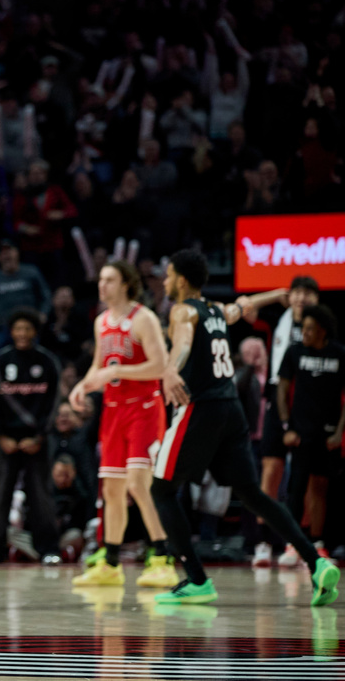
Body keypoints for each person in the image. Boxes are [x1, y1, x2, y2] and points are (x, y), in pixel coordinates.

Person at [152, 249, 338, 607]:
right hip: (231, 410)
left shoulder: (182, 310)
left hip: (201, 408)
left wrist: (171, 369)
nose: (164, 281)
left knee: (161, 490)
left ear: (182, 280)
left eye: (168, 274)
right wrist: (274, 294)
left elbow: (184, 345)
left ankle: (197, 580)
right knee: (253, 495)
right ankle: (316, 563)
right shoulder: (214, 311)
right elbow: (243, 305)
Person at [69, 261, 176, 589]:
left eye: (110, 280)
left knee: (139, 485)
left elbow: (160, 366)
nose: (102, 286)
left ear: (126, 284)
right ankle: (111, 562)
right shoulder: (102, 322)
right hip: (114, 412)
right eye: (101, 280)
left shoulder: (143, 318)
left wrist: (116, 374)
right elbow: (99, 366)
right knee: (112, 488)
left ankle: (162, 557)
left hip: (144, 409)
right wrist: (82, 386)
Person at [0, 309, 62, 563]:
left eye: (27, 329)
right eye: (18, 328)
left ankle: (48, 549)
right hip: (6, 441)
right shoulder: (0, 362)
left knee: (41, 496)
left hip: (36, 442)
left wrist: (39, 436)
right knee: (2, 495)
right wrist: (0, 435)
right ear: (12, 331)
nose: (23, 333)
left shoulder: (47, 362)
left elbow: (53, 403)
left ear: (35, 332)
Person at [255, 276, 319, 567]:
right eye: (296, 292)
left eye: (308, 293)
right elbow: (244, 308)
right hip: (275, 402)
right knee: (271, 471)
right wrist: (275, 294)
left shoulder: (323, 325)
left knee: (305, 478)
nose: (301, 298)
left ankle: (301, 543)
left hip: (307, 404)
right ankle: (263, 541)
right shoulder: (274, 318)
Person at [277, 305, 345, 564]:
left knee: (320, 489)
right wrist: (287, 426)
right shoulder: (294, 352)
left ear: (322, 331)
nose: (303, 333)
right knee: (296, 489)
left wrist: (339, 431)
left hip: (327, 434)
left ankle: (318, 544)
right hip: (300, 433)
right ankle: (293, 545)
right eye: (302, 328)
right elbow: (282, 391)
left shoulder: (339, 353)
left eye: (309, 329)